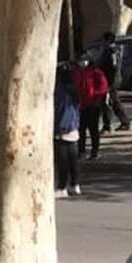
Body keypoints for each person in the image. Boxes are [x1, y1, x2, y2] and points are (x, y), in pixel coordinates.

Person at [72, 54, 108, 160]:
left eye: (85, 60)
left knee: (93, 129)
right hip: (80, 105)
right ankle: (81, 151)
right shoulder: (77, 72)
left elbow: (103, 88)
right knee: (81, 129)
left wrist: (94, 95)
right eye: (81, 60)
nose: (82, 62)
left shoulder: (96, 72)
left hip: (93, 105)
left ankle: (95, 151)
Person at [54, 64, 81, 198]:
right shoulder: (74, 90)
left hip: (62, 129)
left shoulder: (60, 92)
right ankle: (75, 184)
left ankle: (62, 186)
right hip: (73, 128)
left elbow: (59, 110)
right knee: (73, 160)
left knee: (62, 161)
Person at [99, 32, 131, 132]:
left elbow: (113, 67)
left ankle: (112, 124)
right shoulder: (110, 51)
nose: (102, 42)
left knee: (109, 102)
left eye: (103, 40)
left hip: (109, 81)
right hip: (108, 81)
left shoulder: (111, 52)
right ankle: (112, 123)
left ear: (108, 40)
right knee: (111, 102)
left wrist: (109, 82)